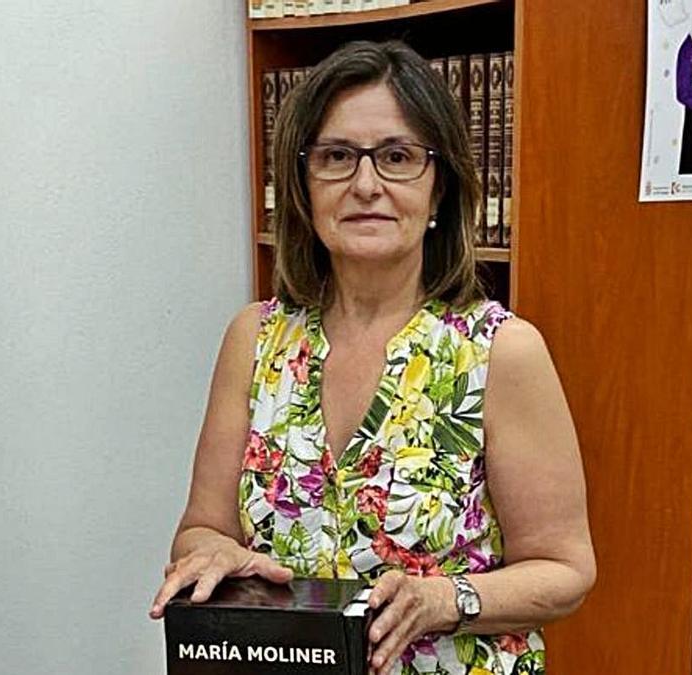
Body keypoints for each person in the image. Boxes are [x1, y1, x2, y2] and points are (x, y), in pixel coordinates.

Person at [150, 40, 595, 675]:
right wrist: (213, 556)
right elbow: (200, 529)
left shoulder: (500, 352)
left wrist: (442, 599)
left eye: (397, 157)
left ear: (440, 189)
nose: (366, 184)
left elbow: (566, 571)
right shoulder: (253, 339)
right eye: (336, 157)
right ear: (303, 186)